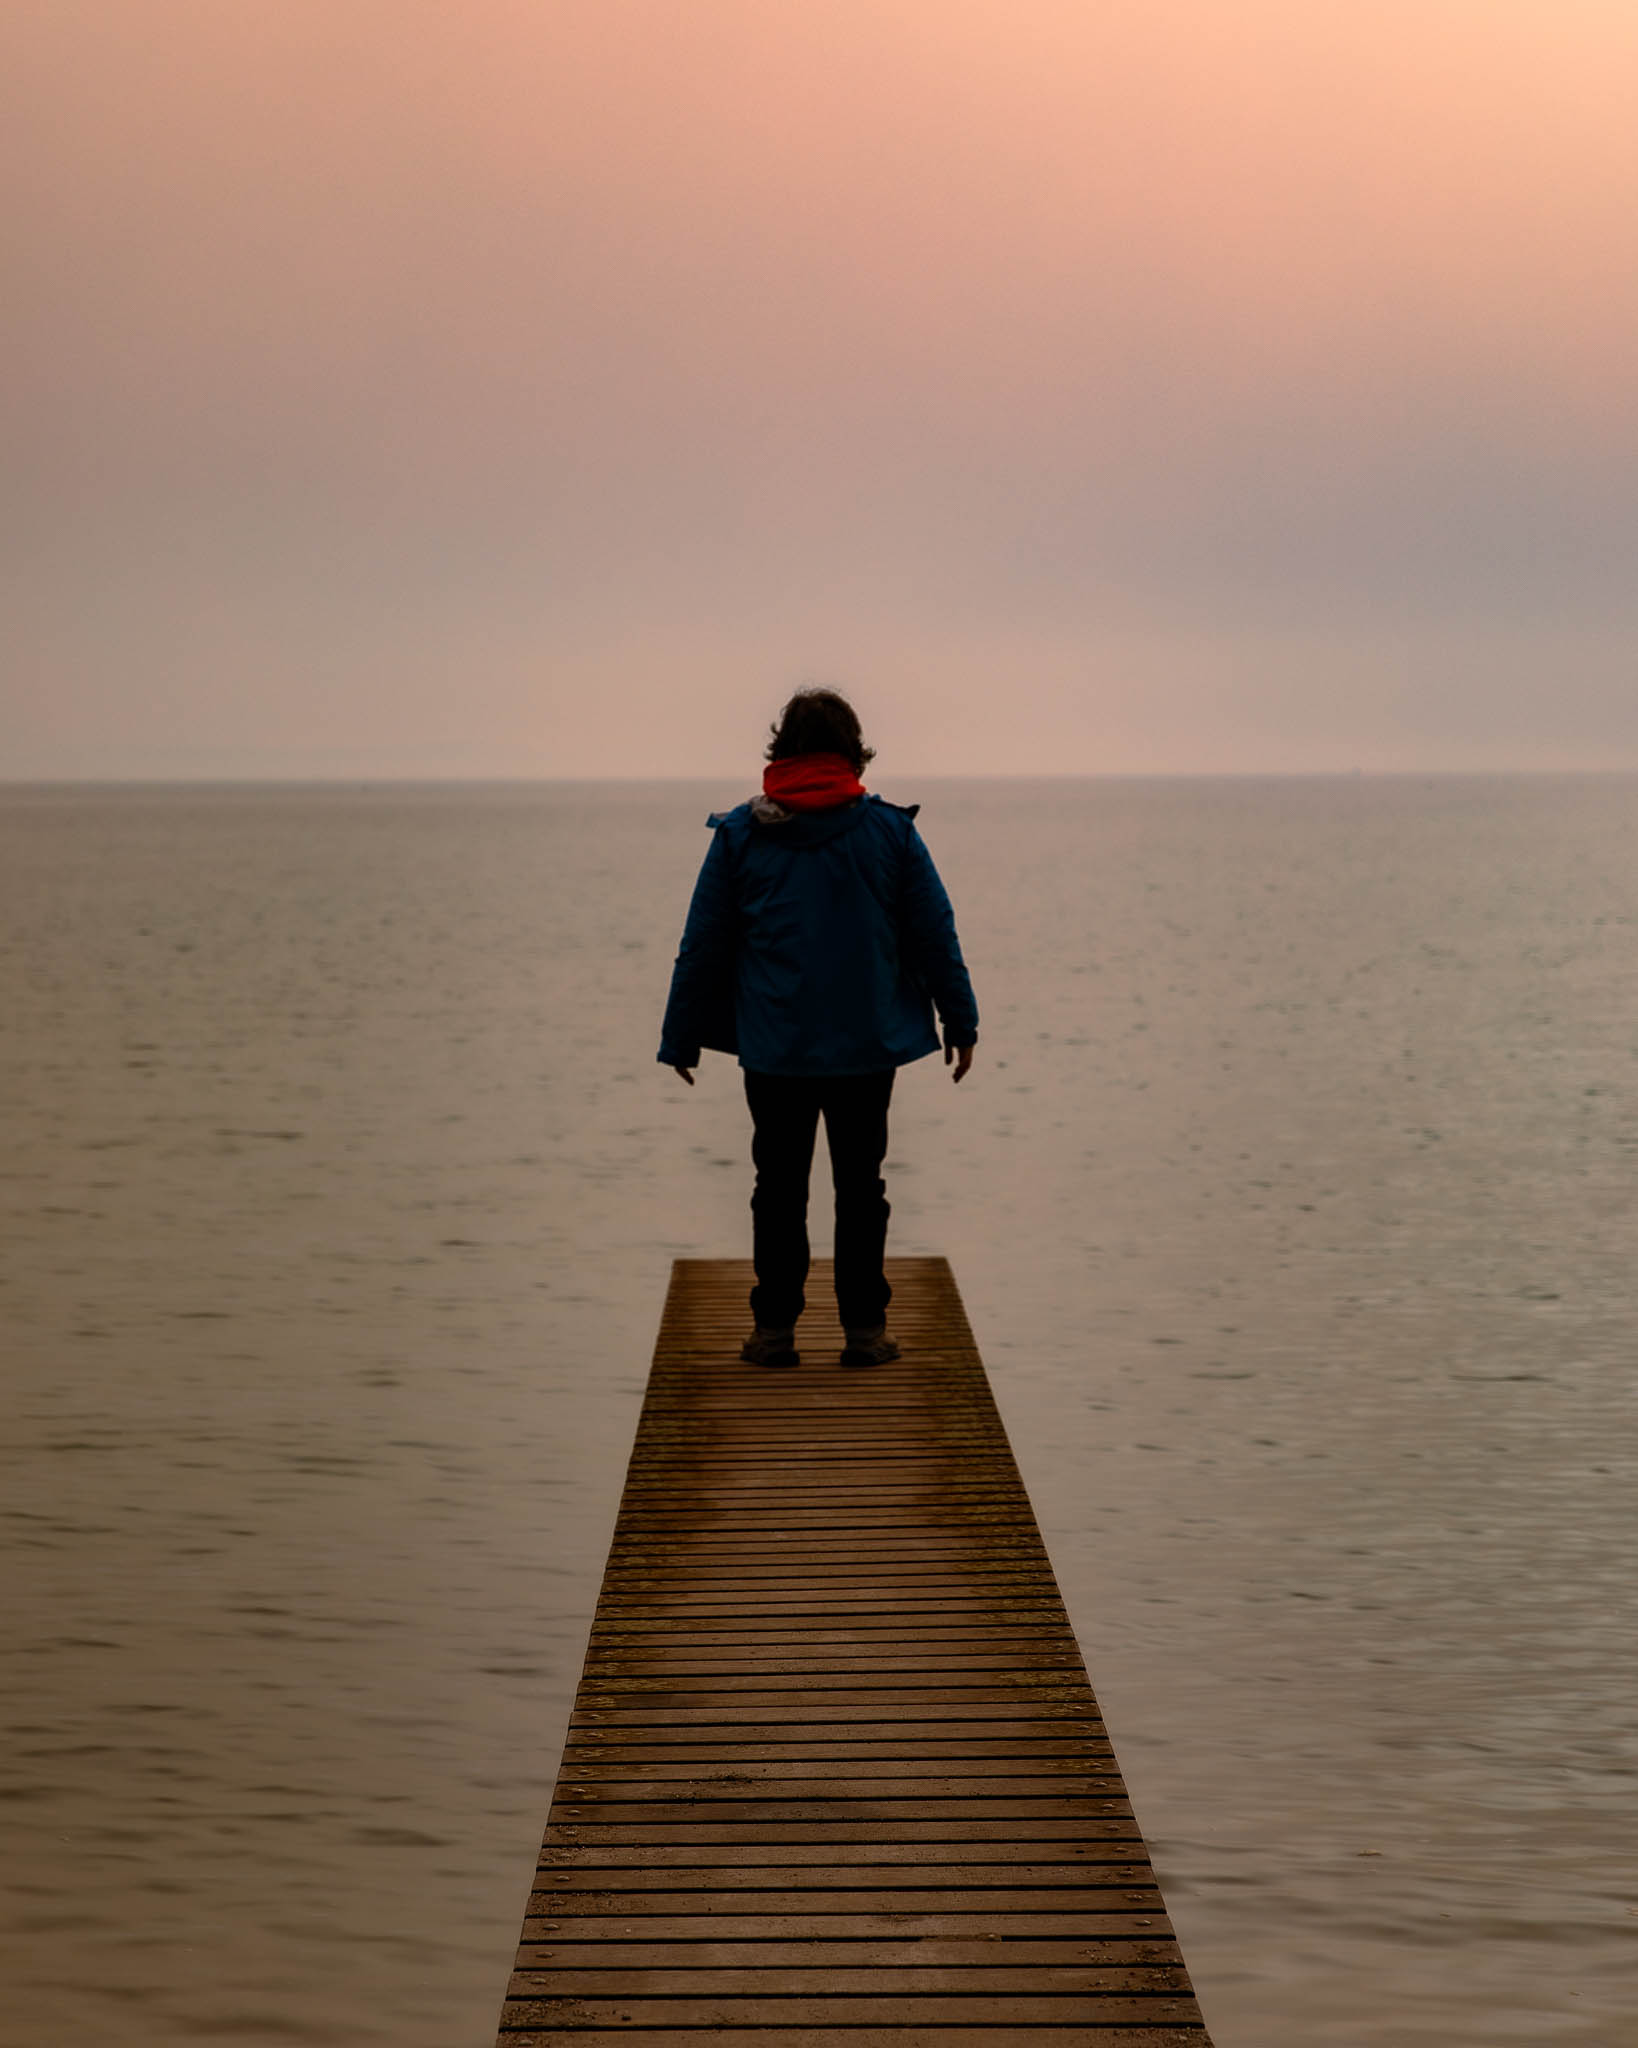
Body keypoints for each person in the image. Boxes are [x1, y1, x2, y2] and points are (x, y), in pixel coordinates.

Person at [658, 688, 979, 1369]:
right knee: (861, 1185)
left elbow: (703, 941)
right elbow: (933, 932)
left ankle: (774, 1332)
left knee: (778, 1187)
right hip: (868, 1047)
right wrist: (961, 1018)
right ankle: (864, 1333)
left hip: (777, 1050)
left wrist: (680, 1035)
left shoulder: (742, 835)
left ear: (782, 750)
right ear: (852, 751)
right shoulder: (891, 833)